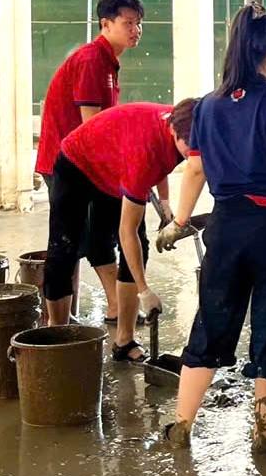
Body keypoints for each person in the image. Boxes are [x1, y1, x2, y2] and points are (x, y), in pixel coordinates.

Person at [157, 4, 266, 454]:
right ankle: (264, 432)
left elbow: (194, 173)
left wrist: (178, 223)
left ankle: (182, 424)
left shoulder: (207, 107)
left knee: (212, 322)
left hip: (226, 227)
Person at [44, 99, 197, 362]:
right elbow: (127, 230)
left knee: (141, 246)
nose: (196, 153)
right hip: (77, 162)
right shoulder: (144, 155)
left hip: (113, 167)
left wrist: (165, 200)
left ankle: (124, 341)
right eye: (191, 147)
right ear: (172, 129)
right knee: (64, 246)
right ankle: (57, 338)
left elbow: (162, 160)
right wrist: (144, 290)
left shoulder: (184, 125)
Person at [34, 0, 145, 323]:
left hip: (90, 164)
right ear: (105, 24)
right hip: (67, 163)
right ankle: (58, 325)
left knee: (103, 233)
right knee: (68, 242)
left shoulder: (108, 62)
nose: (135, 30)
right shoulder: (91, 60)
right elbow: (93, 127)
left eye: (139, 24)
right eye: (128, 22)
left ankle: (115, 305)